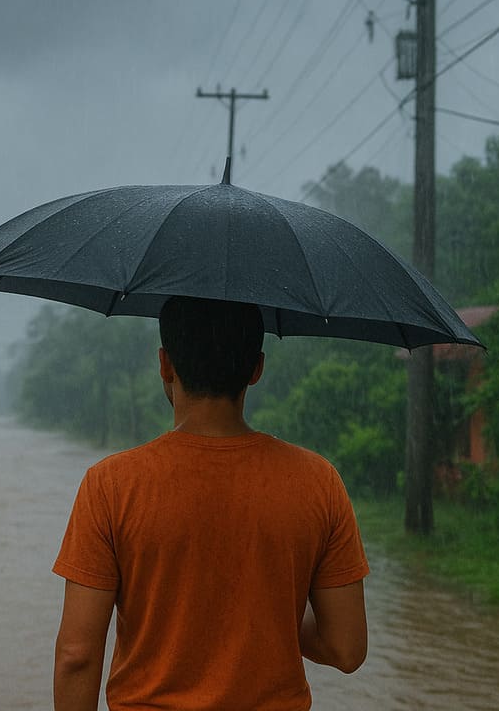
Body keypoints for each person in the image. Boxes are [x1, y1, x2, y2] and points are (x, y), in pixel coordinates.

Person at [52, 296, 369, 711]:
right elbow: (346, 648)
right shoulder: (317, 482)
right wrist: (267, 607)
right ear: (256, 368)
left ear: (165, 364)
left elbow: (77, 655)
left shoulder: (111, 485)